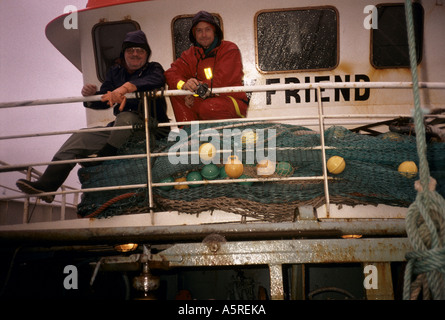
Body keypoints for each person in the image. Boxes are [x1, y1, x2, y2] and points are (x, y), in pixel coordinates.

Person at [16, 30, 169, 203]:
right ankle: (48, 185)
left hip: (150, 128)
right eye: (130, 50)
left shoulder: (154, 68)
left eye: (140, 51)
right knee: (80, 136)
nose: (135, 54)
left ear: (146, 55)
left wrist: (125, 88)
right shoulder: (115, 72)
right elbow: (102, 100)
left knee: (126, 117)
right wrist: (91, 95)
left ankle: (103, 157)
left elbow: (156, 80)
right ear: (123, 53)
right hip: (118, 131)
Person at [165, 11, 249, 123]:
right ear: (194, 34)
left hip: (231, 101)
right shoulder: (189, 54)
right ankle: (188, 132)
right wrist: (184, 85)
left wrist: (194, 92)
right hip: (203, 98)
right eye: (199, 30)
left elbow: (222, 80)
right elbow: (170, 73)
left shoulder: (229, 49)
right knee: (174, 90)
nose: (204, 34)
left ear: (214, 31)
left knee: (208, 107)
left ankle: (222, 135)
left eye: (207, 29)